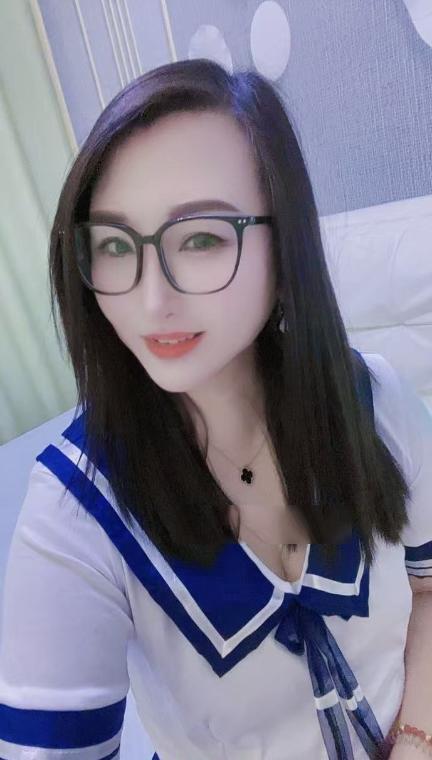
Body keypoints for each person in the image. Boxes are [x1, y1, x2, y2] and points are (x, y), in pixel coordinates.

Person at [0, 58, 431, 760]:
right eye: (114, 245)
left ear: (285, 246)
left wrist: (416, 739)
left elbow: (429, 585)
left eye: (201, 237)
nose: (150, 300)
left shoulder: (374, 402)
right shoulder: (74, 513)